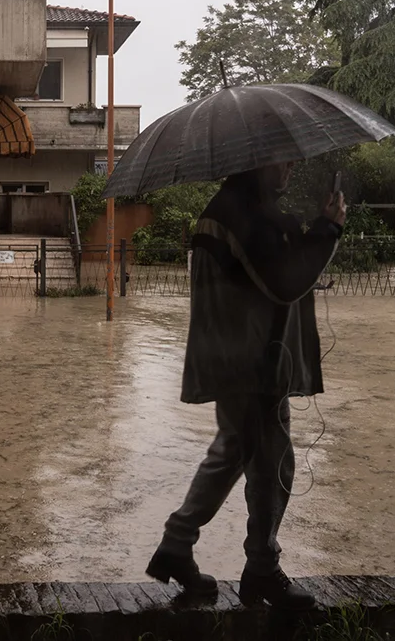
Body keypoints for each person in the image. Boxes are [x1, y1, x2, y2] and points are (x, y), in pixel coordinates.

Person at [145, 160, 345, 610]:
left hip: (242, 358)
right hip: (253, 362)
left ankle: (178, 545)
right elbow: (284, 281)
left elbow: (275, 267)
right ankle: (260, 569)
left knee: (235, 450)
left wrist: (312, 228)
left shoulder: (239, 209)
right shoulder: (241, 215)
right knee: (273, 466)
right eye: (283, 156)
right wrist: (328, 230)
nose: (291, 166)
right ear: (258, 158)